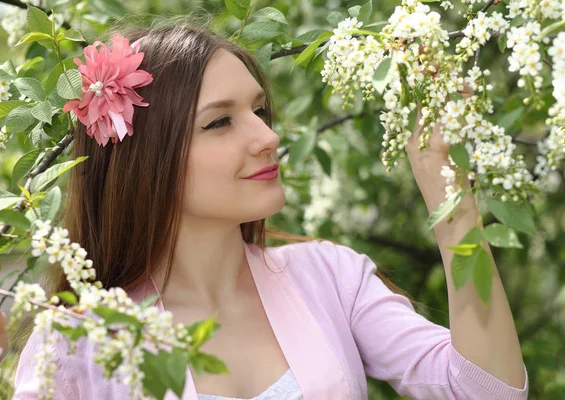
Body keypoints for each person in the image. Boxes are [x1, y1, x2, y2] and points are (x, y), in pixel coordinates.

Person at [8, 23, 529, 399]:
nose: (268, 136)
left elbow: (486, 391)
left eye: (258, 111)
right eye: (220, 122)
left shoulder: (330, 278)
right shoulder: (77, 343)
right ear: (145, 160)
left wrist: (448, 191)